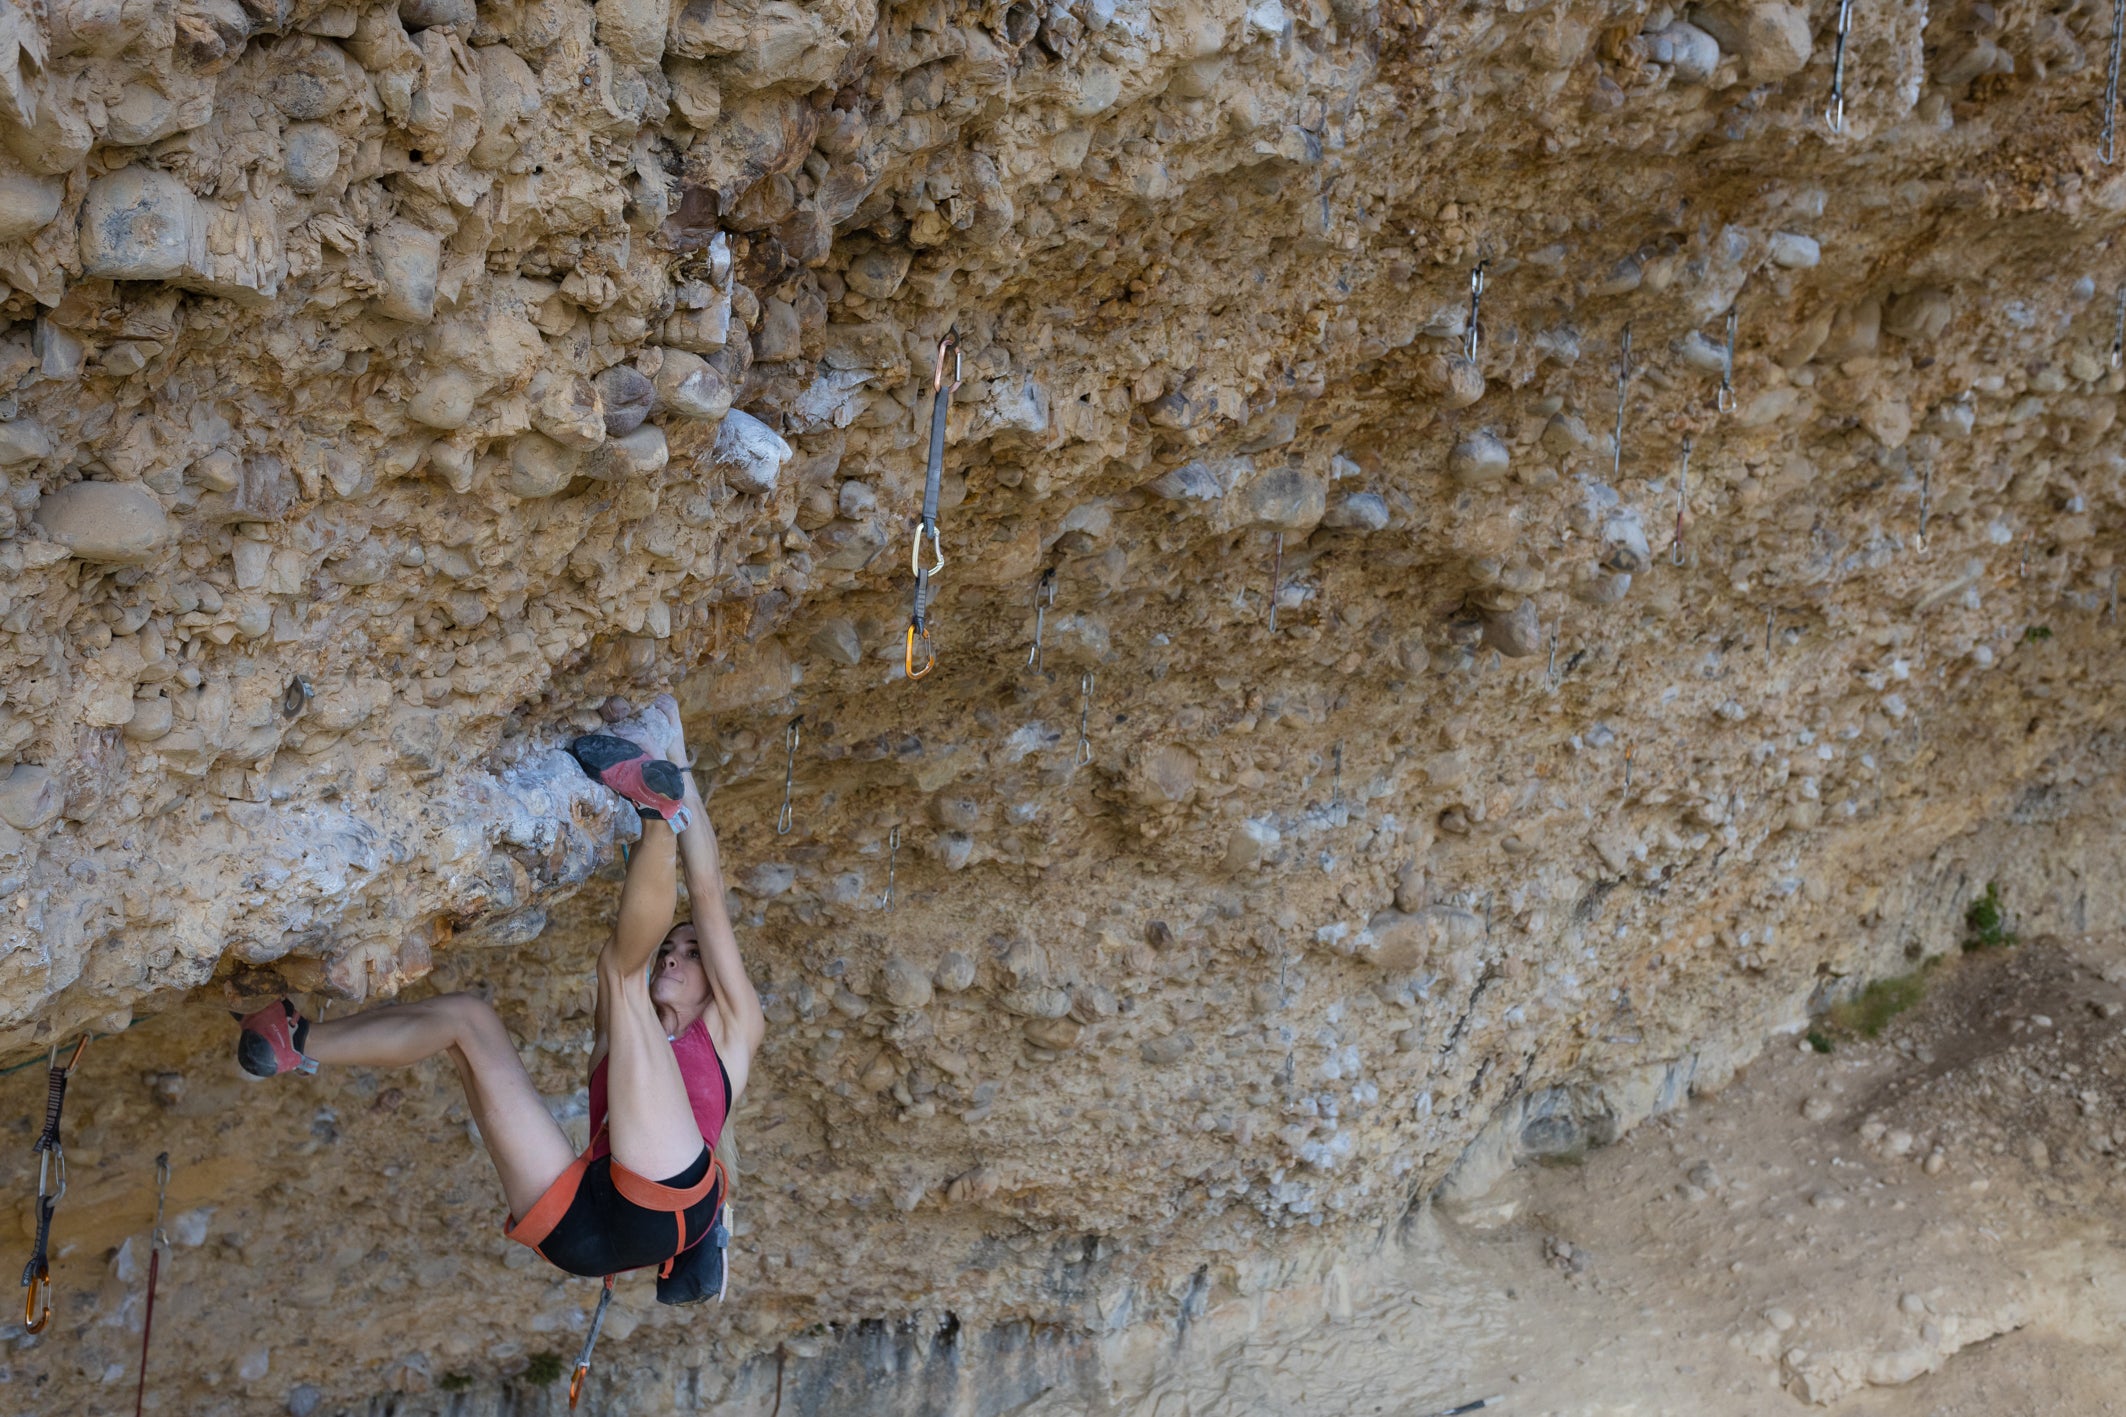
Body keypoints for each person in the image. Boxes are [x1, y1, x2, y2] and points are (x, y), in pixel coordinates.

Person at [231, 696, 765, 1300]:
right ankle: (297, 1040)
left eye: (693, 955)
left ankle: (656, 813)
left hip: (602, 1232)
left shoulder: (730, 1032)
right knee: (467, 1021)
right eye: (672, 944)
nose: (674, 956)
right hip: (612, 1199)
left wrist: (678, 766)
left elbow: (708, 892)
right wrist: (670, 752)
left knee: (621, 979)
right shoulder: (615, 1038)